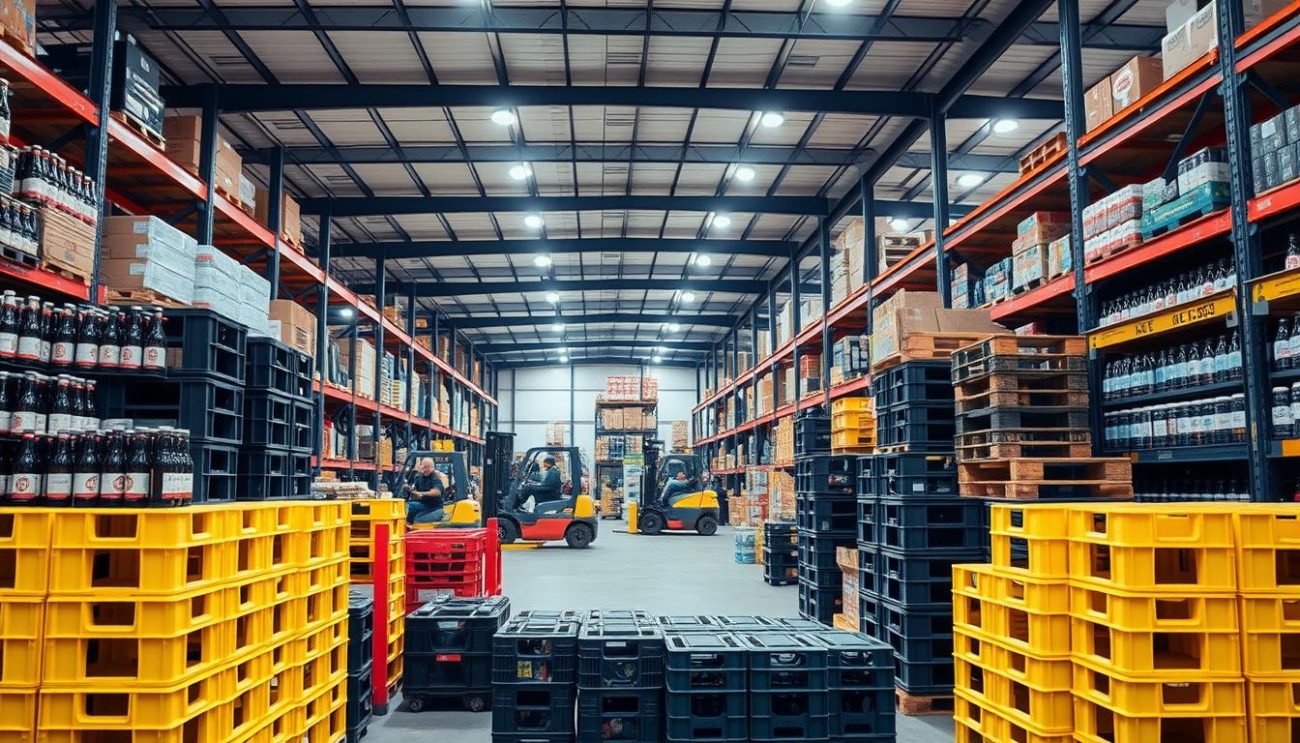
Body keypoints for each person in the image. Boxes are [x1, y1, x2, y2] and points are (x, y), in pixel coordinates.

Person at [404, 458, 447, 524]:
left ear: (432, 467)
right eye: (423, 467)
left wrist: (422, 494)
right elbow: (415, 491)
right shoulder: (419, 478)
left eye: (427, 467)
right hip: (425, 505)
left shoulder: (435, 478)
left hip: (435, 508)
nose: (425, 470)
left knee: (417, 519)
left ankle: (413, 528)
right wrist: (410, 490)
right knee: (408, 506)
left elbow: (436, 492)